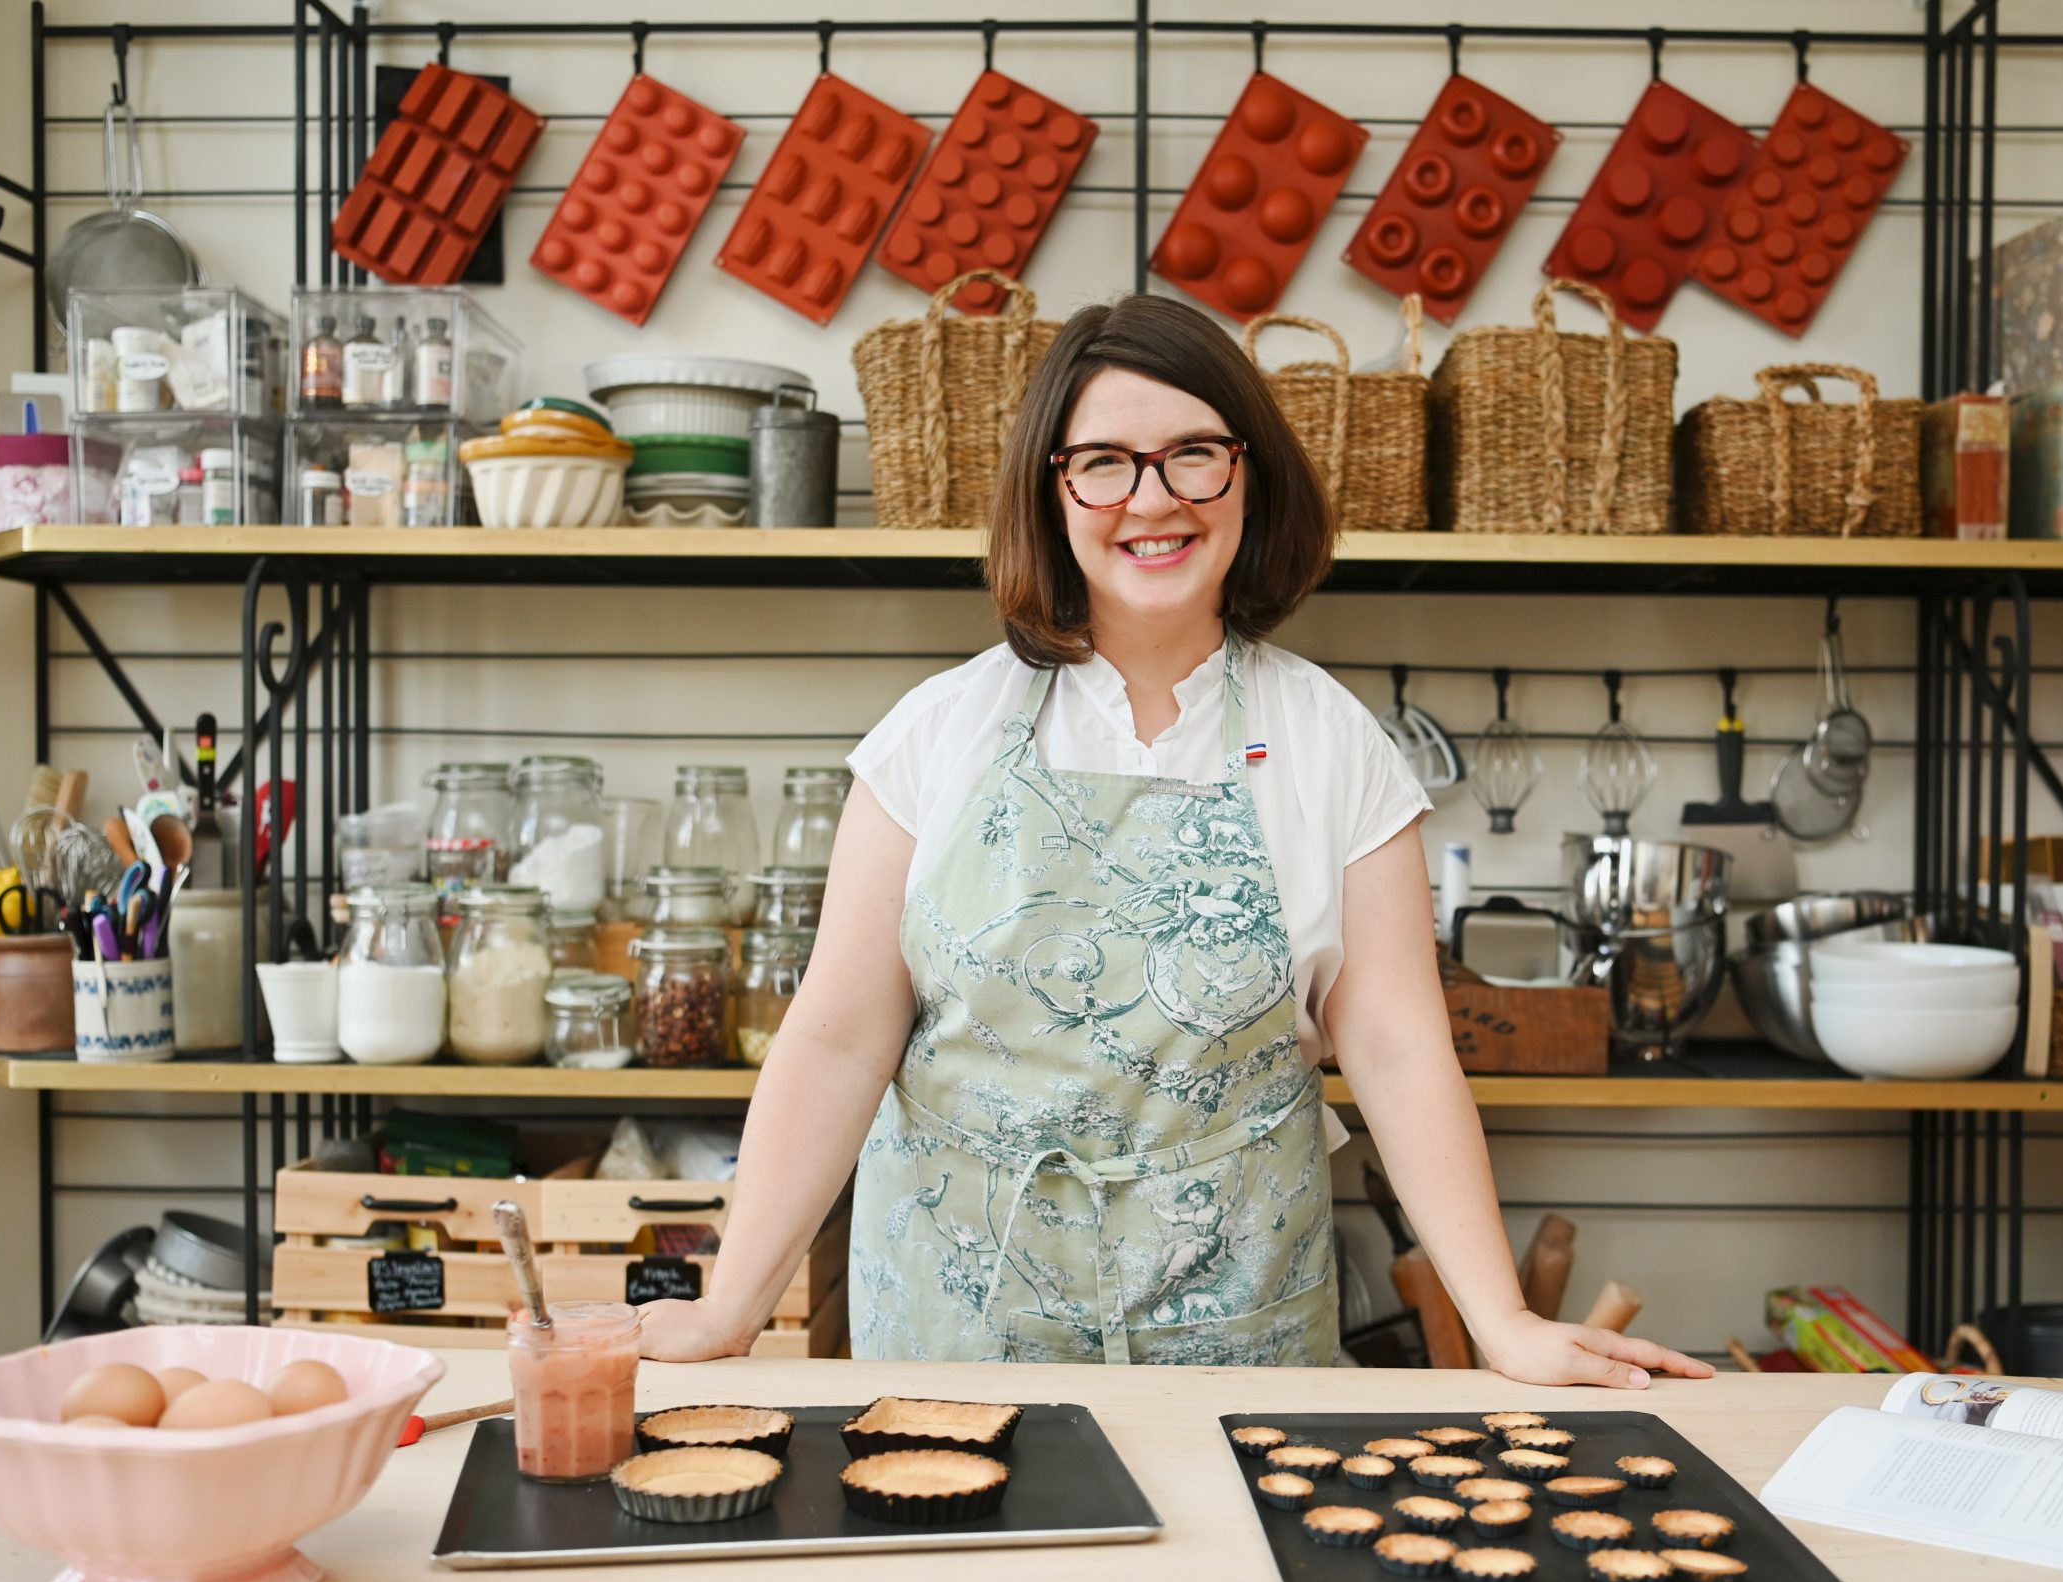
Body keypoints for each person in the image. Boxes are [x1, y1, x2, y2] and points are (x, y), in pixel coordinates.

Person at [639, 293, 1711, 1387]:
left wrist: (1503, 1321)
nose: (1151, 499)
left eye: (1193, 453)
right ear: (1051, 490)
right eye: (1102, 461)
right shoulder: (936, 734)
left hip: (1238, 1332)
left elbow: (1395, 1048)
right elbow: (833, 1038)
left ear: (1248, 472)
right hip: (960, 1333)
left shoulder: (1334, 743)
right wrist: (729, 1306)